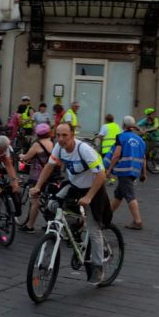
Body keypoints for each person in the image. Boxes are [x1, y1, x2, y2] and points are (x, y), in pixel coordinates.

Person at [30, 122, 109, 285]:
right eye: (58, 135)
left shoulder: (84, 150)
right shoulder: (59, 148)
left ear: (73, 135)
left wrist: (88, 197)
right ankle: (74, 227)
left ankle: (98, 266)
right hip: (74, 186)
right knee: (52, 205)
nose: (61, 139)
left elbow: (101, 175)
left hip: (93, 188)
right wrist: (37, 186)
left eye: (65, 135)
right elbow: (49, 167)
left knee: (94, 229)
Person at [108, 116, 147, 229]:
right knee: (118, 194)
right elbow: (144, 158)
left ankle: (137, 221)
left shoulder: (121, 137)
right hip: (134, 171)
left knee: (130, 195)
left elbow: (116, 155)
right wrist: (144, 174)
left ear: (123, 125)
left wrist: (109, 169)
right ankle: (106, 216)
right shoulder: (140, 140)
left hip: (124, 170)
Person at [20, 122, 59, 233]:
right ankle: (49, 223)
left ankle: (30, 226)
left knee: (35, 201)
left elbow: (26, 157)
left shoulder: (37, 144)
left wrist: (20, 156)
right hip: (50, 175)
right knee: (48, 199)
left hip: (37, 176)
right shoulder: (52, 143)